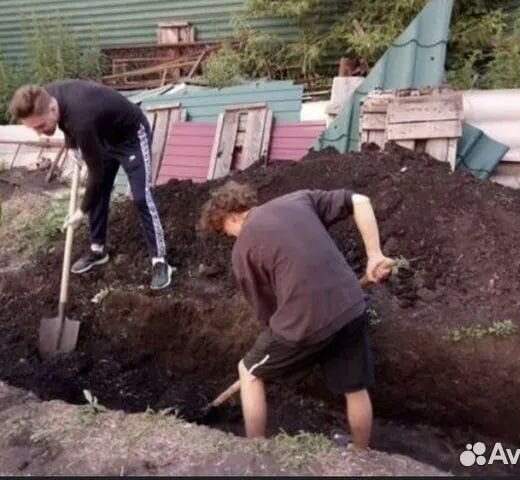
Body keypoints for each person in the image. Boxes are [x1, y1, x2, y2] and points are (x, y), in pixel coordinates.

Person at [200, 181, 394, 450]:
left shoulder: (243, 249)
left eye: (226, 231)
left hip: (306, 322)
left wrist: (289, 342)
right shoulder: (298, 200)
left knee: (250, 372)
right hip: (351, 306)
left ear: (231, 216)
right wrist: (374, 255)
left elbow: (266, 310)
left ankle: (254, 450)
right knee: (355, 388)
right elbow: (359, 200)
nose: (231, 236)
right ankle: (361, 453)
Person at [9, 80, 173, 289]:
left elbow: (95, 174)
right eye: (34, 128)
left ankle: (160, 261)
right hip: (102, 137)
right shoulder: (44, 96)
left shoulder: (82, 119)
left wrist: (81, 211)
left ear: (52, 108)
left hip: (130, 136)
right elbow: (65, 122)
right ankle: (98, 250)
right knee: (100, 193)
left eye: (41, 126)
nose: (39, 133)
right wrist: (71, 146)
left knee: (141, 196)